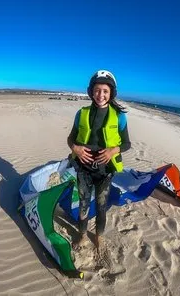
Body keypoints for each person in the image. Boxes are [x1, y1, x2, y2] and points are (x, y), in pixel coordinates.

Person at [67, 70, 131, 251]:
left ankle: (99, 237)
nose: (100, 95)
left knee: (101, 206)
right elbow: (70, 139)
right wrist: (76, 148)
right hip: (83, 169)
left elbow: (127, 143)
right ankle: (82, 236)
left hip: (105, 171)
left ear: (111, 93)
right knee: (83, 205)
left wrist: (112, 151)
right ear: (91, 91)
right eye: (97, 90)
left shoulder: (119, 116)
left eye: (105, 91)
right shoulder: (82, 113)